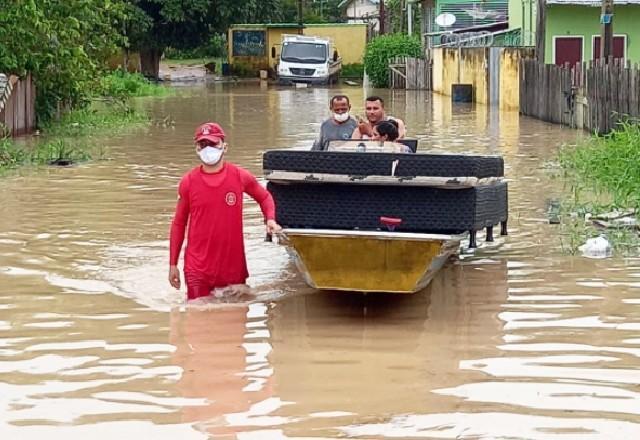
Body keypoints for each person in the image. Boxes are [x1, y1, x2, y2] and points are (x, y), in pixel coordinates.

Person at [169, 122, 282, 301]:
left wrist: (270, 219)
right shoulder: (188, 182)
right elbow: (178, 223)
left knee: (235, 323)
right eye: (203, 144)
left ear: (224, 146)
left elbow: (264, 197)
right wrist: (172, 264)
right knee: (196, 320)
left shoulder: (239, 176)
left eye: (213, 144)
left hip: (233, 268)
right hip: (198, 269)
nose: (208, 149)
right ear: (196, 148)